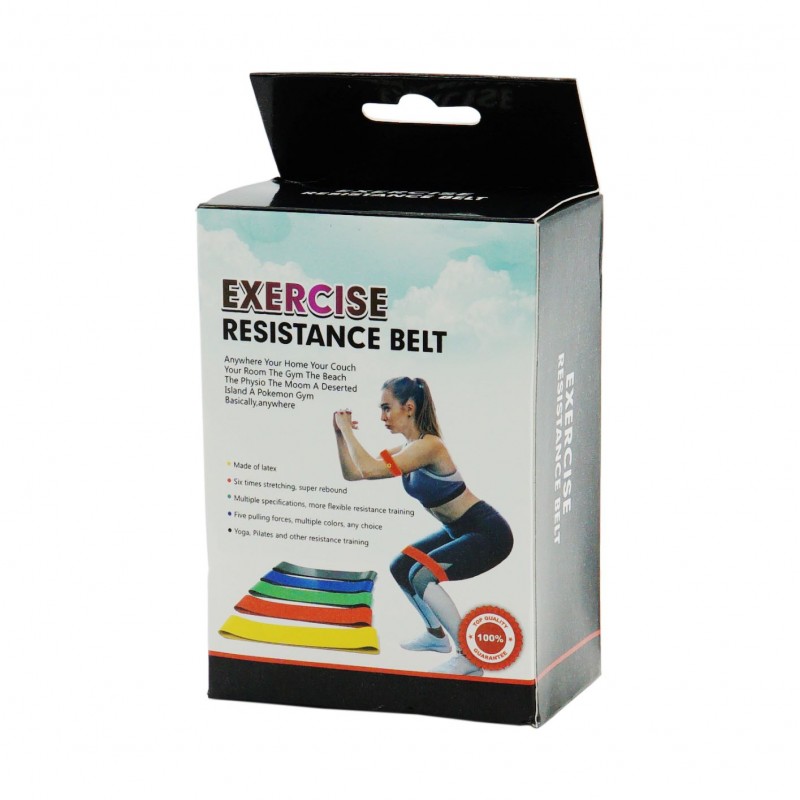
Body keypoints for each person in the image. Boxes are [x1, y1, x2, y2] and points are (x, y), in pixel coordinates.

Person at [333, 376, 513, 676]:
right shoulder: (407, 449)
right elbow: (354, 473)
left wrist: (347, 431)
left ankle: (469, 656)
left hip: (488, 533)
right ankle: (435, 635)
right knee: (401, 566)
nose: (382, 417)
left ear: (409, 407)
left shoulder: (429, 447)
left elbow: (369, 468)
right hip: (459, 530)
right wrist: (340, 435)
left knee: (421, 576)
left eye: (386, 408)